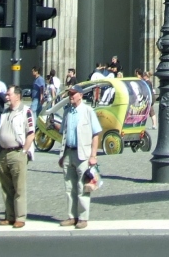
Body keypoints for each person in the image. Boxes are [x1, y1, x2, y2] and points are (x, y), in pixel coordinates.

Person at [58, 86, 101, 229]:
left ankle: (83, 218)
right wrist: (62, 155)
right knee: (69, 187)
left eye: (73, 94)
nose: (70, 96)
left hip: (83, 154)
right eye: (69, 94)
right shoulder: (67, 111)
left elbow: (96, 134)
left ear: (80, 95)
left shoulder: (88, 111)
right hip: (68, 152)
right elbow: (63, 133)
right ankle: (72, 216)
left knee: (83, 187)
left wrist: (93, 155)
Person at [0, 86, 34, 227]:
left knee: (19, 188)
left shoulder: (26, 111)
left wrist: (24, 151)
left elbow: (31, 133)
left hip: (17, 153)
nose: (6, 97)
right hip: (3, 153)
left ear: (17, 96)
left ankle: (20, 218)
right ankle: (9, 216)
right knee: (6, 187)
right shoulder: (5, 112)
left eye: (9, 94)